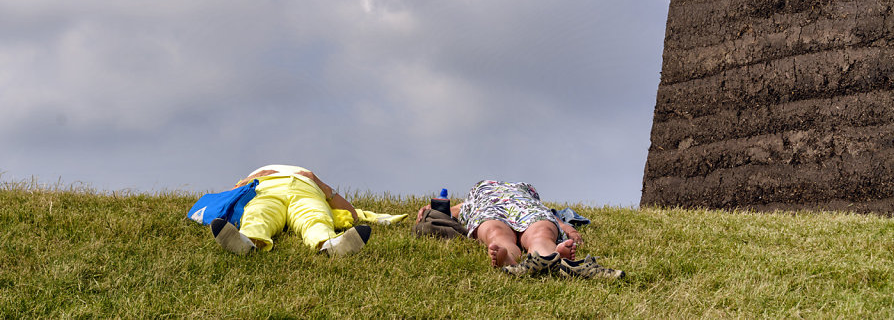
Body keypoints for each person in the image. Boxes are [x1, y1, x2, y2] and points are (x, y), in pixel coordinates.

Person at [417, 179, 623, 279]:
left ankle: (514, 258)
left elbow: (447, 210)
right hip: (520, 208)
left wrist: (564, 226)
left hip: (500, 208)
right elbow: (449, 210)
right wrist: (564, 226)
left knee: (498, 234)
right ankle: (550, 255)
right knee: (534, 233)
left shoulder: (477, 195)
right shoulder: (470, 200)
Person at [210, 164, 371, 258]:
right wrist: (245, 182)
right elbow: (227, 200)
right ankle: (247, 240)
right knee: (259, 212)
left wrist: (318, 183)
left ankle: (331, 244)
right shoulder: (254, 179)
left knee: (314, 215)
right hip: (265, 188)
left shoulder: (311, 179)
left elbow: (353, 214)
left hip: (306, 189)